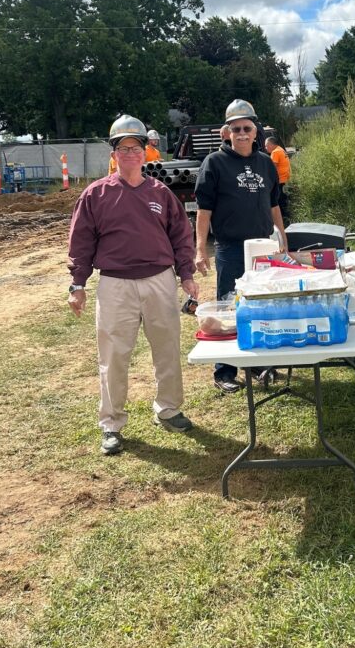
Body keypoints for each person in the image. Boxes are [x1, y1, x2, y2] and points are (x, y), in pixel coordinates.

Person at [68, 114, 199, 455]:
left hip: (159, 281)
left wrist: (186, 275)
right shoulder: (96, 194)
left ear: (145, 152)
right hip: (115, 285)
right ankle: (111, 424)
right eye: (122, 149)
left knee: (167, 347)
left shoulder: (161, 193)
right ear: (114, 154)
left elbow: (181, 236)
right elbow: (80, 242)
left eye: (135, 148)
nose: (129, 154)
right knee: (113, 356)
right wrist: (77, 285)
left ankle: (168, 409)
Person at [194, 99, 288, 394]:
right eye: (236, 129)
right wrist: (199, 249)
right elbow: (204, 210)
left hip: (263, 247)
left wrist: (283, 239)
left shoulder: (265, 163)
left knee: (261, 304)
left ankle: (258, 363)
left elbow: (274, 205)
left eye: (247, 128)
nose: (242, 133)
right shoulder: (215, 163)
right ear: (227, 132)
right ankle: (225, 370)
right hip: (231, 247)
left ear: (255, 130)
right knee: (229, 307)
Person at [265, 136, 291, 221]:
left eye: (266, 145)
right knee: (283, 199)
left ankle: (281, 217)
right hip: (285, 179)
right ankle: (286, 216)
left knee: (277, 200)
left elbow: (272, 168)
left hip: (279, 180)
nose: (265, 148)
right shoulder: (281, 149)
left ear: (271, 144)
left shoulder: (275, 152)